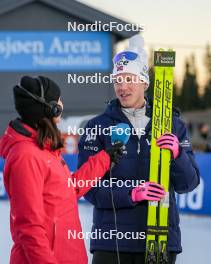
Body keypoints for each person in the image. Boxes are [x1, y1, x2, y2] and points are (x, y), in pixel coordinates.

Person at [78, 35, 200, 264]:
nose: (122, 87)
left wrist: (178, 155)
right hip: (111, 243)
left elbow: (189, 184)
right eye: (117, 80)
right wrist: (131, 194)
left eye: (129, 79)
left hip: (159, 239)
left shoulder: (173, 125)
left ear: (144, 81)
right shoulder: (97, 127)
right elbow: (87, 188)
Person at [0, 75, 124, 264]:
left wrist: (105, 159)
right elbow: (29, 228)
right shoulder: (26, 157)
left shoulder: (45, 150)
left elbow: (68, 190)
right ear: (50, 108)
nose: (62, 104)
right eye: (58, 100)